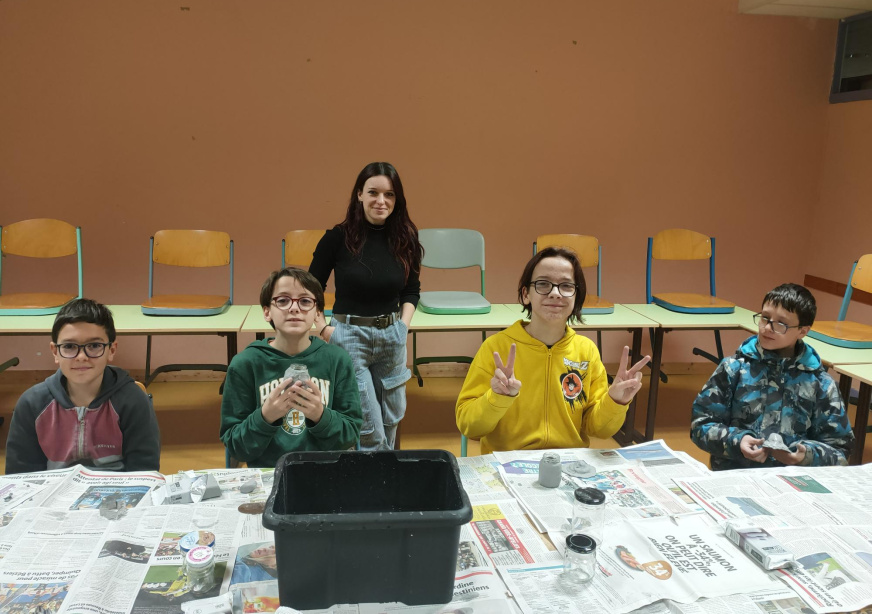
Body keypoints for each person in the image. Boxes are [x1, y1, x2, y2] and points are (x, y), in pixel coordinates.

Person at [455, 246, 650, 454]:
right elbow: (469, 427)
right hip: (508, 461)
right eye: (543, 284)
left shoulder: (586, 351)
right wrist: (496, 397)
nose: (555, 293)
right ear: (526, 294)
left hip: (567, 462)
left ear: (576, 296)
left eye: (566, 286)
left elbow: (599, 430)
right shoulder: (495, 347)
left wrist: (616, 401)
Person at [309, 161, 422, 451]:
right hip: (348, 336)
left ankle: (379, 474)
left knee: (391, 420)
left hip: (392, 336)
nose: (381, 201)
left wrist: (403, 327)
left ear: (397, 199)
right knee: (368, 429)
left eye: (389, 194)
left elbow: (411, 291)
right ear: (359, 194)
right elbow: (310, 289)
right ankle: (379, 477)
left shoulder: (406, 238)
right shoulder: (337, 238)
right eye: (373, 192)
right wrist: (323, 329)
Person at [690, 283, 853, 470]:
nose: (767, 327)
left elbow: (840, 449)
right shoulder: (733, 369)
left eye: (780, 324)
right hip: (736, 474)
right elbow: (700, 426)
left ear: (803, 331)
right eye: (765, 318)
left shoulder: (820, 383)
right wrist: (738, 441)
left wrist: (805, 456)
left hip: (792, 480)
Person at [220, 267, 362, 467]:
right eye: (283, 300)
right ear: (267, 312)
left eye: (305, 301)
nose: (294, 308)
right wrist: (265, 417)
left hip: (324, 472)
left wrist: (320, 416)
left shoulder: (337, 360)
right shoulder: (245, 364)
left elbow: (350, 436)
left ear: (318, 313)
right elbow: (236, 448)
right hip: (269, 474)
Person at [5, 298, 160, 474]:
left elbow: (143, 470)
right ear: (55, 352)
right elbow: (20, 474)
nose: (81, 357)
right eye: (69, 346)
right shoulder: (32, 403)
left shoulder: (133, 400)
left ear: (111, 350)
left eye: (94, 346)